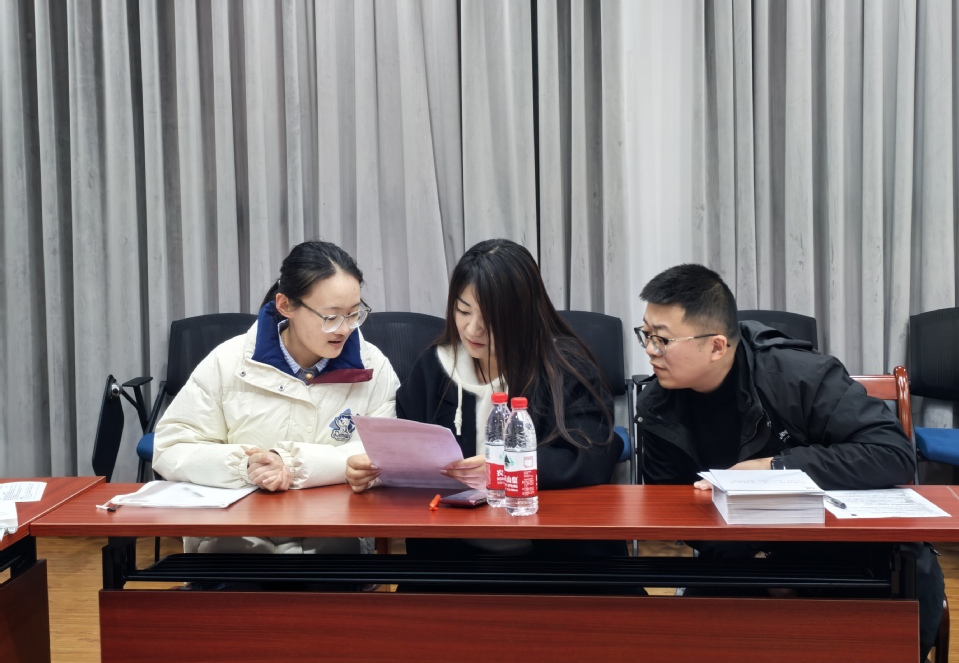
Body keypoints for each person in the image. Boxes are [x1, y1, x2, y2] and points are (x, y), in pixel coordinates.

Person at [635, 263, 943, 662]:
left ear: (716, 346)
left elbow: (892, 453)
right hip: (736, 557)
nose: (650, 351)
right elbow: (672, 505)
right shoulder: (657, 406)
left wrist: (773, 469)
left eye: (662, 339)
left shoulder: (797, 375)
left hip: (843, 552)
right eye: (646, 335)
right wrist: (763, 565)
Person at [346, 238, 626, 562]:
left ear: (523, 314)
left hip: (555, 557)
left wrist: (504, 469)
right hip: (453, 558)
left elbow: (594, 454)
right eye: (463, 311)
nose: (473, 329)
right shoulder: (435, 367)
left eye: (490, 318)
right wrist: (375, 472)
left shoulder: (563, 367)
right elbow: (407, 453)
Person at [153, 240, 399, 555]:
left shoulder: (372, 366)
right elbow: (172, 446)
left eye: (354, 314)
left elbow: (387, 452)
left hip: (335, 533)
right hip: (237, 533)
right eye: (331, 317)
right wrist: (243, 465)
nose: (345, 329)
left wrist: (293, 463)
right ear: (285, 305)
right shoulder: (230, 361)